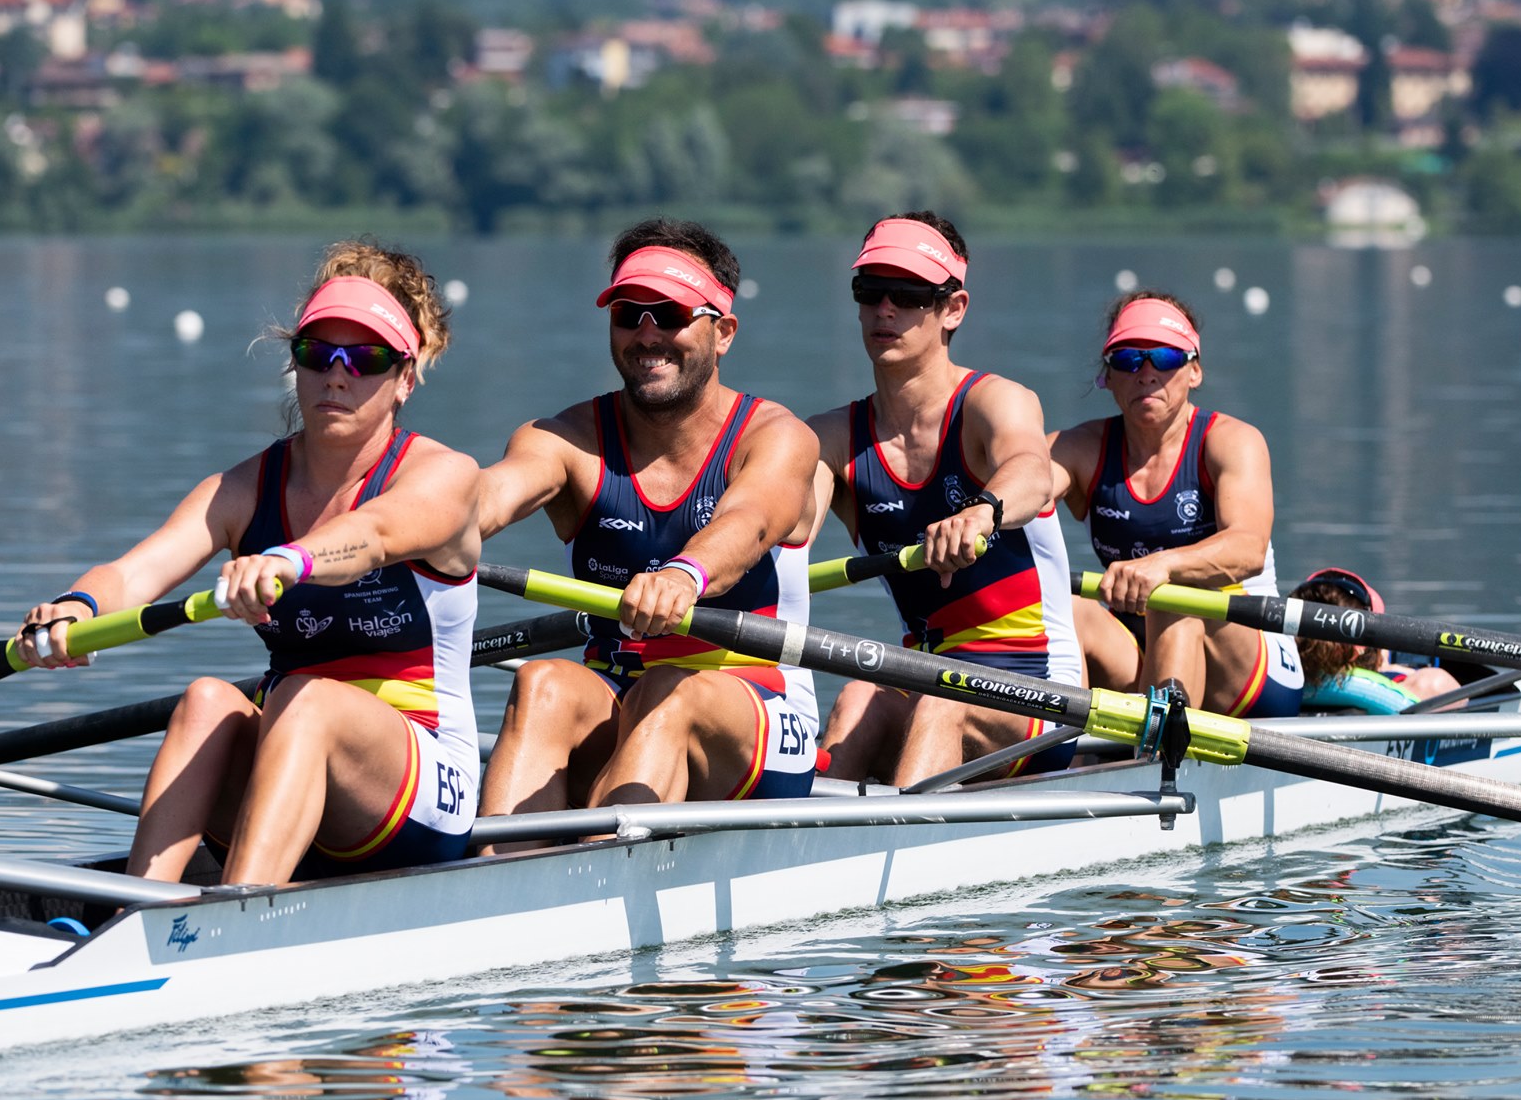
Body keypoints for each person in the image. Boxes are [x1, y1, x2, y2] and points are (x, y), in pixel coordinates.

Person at [16, 241, 483, 886]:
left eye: (366, 358)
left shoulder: (444, 477)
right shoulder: (241, 490)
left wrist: (287, 560)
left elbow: (372, 536)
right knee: (208, 699)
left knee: (306, 698)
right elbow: (132, 573)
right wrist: (78, 607)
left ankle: (236, 918)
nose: (337, 375)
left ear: (405, 378)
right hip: (290, 762)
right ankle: (133, 912)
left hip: (420, 784)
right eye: (317, 354)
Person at [475, 218, 822, 818]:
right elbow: (483, 500)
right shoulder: (565, 440)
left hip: (760, 710)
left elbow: (751, 519)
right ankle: (489, 881)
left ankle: (592, 872)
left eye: (669, 314)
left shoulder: (776, 437)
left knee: (668, 691)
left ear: (724, 332)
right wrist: (381, 534)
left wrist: (685, 575)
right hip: (615, 689)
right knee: (542, 683)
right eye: (628, 313)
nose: (646, 333)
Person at [809, 211, 1082, 786]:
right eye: (870, 291)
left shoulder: (995, 402)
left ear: (952, 309)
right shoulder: (832, 439)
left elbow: (1030, 471)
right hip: (935, 674)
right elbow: (783, 526)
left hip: (1044, 692)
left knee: (941, 700)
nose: (884, 310)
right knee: (859, 695)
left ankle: (901, 858)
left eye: (907, 295)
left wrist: (985, 511)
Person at [1049, 291, 1304, 717]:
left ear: (1194, 371)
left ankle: (1154, 762)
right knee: (1067, 609)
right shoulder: (1081, 448)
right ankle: (1055, 761)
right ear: (1109, 376)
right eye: (1129, 360)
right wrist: (981, 513)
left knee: (1174, 596)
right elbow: (1021, 488)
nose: (1146, 374)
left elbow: (1249, 546)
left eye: (1164, 358)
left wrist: (1162, 564)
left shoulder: (1231, 441)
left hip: (1252, 667)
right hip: (1143, 651)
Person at [1291, 567, 1462, 709]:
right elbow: (1451, 692)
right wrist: (1391, 673)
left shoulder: (1275, 684)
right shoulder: (1416, 684)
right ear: (1359, 648)